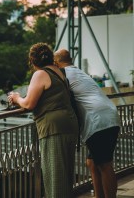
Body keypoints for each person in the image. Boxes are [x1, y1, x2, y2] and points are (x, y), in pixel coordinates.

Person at [8, 43, 79, 198]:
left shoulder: (40, 74)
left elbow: (29, 103)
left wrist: (16, 98)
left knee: (55, 178)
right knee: (65, 176)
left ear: (33, 62)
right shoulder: (59, 72)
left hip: (53, 128)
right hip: (69, 124)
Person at [54, 48, 120, 198]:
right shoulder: (79, 72)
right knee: (92, 162)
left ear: (56, 62)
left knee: (105, 164)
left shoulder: (62, 74)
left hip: (98, 120)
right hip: (108, 114)